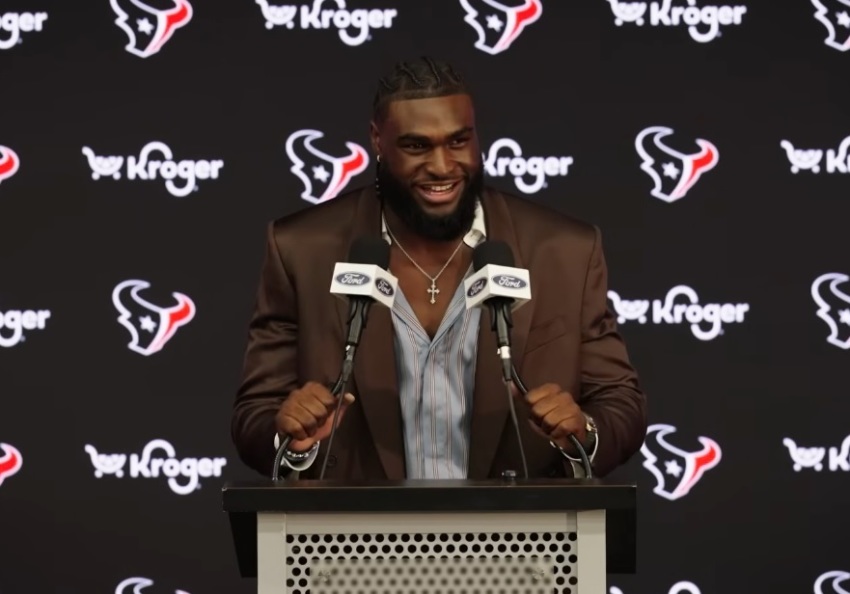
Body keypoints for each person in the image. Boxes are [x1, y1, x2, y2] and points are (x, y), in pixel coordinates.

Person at [231, 56, 647, 481]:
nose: (443, 167)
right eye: (417, 146)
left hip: (519, 539)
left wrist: (584, 431)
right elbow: (255, 416)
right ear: (377, 140)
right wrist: (291, 440)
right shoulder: (302, 250)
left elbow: (620, 402)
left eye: (458, 141)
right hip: (357, 540)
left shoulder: (563, 251)